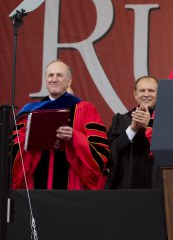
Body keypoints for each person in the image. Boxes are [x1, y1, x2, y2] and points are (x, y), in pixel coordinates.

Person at [11, 60, 110, 190]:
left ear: (69, 81)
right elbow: (14, 147)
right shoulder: (30, 111)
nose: (54, 79)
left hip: (72, 182)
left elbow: (99, 149)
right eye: (50, 75)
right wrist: (30, 135)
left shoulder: (85, 109)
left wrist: (74, 137)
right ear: (45, 81)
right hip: (35, 182)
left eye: (59, 75)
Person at [106, 76, 158, 189]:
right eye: (142, 90)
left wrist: (149, 125)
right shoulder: (122, 120)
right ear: (135, 94)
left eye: (151, 90)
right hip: (126, 186)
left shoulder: (167, 121)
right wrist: (132, 129)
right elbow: (109, 154)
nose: (146, 94)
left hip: (157, 184)